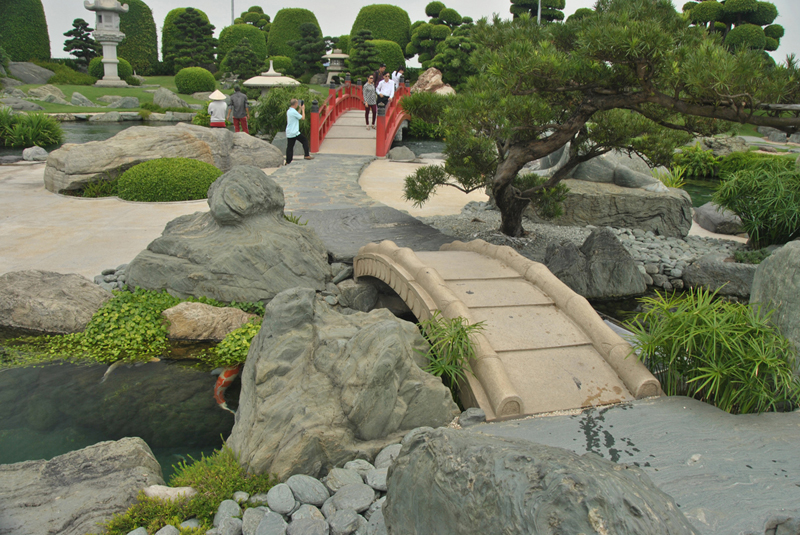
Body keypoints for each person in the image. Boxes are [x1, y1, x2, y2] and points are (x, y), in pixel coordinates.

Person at [285, 98, 313, 164]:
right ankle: (306, 155)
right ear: (295, 104)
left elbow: (297, 115)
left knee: (290, 147)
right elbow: (302, 118)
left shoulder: (289, 111)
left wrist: (300, 109)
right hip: (294, 132)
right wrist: (303, 109)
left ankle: (288, 161)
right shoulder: (293, 111)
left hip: (290, 132)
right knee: (305, 140)